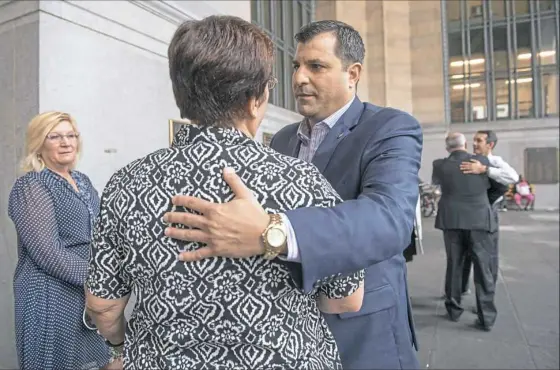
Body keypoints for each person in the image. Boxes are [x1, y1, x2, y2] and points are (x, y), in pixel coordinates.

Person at [85, 16, 365, 370]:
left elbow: (102, 304)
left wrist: (121, 344)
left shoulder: (126, 183)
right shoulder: (300, 181)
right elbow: (345, 298)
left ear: (182, 98)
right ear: (255, 99)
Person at [164, 20, 422, 369]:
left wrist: (274, 231)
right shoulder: (283, 138)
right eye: (296, 66)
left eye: (316, 66)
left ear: (353, 73)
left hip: (363, 326)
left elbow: (389, 220)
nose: (300, 78)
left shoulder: (390, 128)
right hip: (288, 332)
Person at [7, 112, 113, 369]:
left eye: (71, 135)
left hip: (85, 294)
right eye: (54, 137)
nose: (66, 142)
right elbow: (48, 252)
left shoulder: (83, 182)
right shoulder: (31, 185)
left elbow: (102, 233)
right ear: (39, 145)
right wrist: (98, 278)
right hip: (48, 294)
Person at [433, 133, 501, 331]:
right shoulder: (481, 161)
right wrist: (485, 203)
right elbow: (500, 185)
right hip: (479, 220)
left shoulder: (439, 165)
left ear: (447, 148)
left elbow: (438, 183)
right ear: (465, 145)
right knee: (483, 269)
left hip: (452, 220)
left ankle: (453, 310)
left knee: (454, 265)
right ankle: (486, 317)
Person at [459, 130, 517, 296]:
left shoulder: (496, 162)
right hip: (468, 213)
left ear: (490, 145)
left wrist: (485, 169)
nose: (474, 144)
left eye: (479, 141)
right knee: (464, 254)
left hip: (489, 214)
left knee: (487, 256)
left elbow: (512, 177)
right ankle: (461, 288)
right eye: (474, 140)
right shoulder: (468, 161)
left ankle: (487, 292)